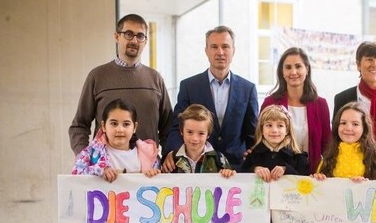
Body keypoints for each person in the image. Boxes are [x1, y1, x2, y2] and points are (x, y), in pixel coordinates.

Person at [69, 14, 172, 156]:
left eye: (140, 36)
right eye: (128, 34)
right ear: (117, 37)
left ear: (145, 41)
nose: (134, 40)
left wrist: (168, 156)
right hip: (106, 170)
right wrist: (85, 157)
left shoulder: (155, 78)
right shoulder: (97, 76)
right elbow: (79, 126)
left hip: (148, 170)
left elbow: (168, 127)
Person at [162, 25, 258, 171]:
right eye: (214, 47)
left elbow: (252, 133)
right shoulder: (189, 86)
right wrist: (171, 152)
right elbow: (177, 125)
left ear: (233, 51)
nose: (220, 52)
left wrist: (255, 155)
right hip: (199, 167)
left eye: (225, 46)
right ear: (206, 51)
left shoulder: (248, 89)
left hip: (236, 168)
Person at [260, 47, 331, 173]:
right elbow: (261, 140)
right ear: (282, 72)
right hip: (277, 176)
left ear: (307, 69)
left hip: (313, 176)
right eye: (288, 67)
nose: (293, 72)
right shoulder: (270, 102)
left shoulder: (321, 105)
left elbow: (327, 146)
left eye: (298, 66)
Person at [72, 99, 160, 182]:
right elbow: (76, 174)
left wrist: (154, 174)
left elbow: (159, 184)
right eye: (114, 123)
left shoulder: (148, 155)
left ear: (135, 127)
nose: (120, 129)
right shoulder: (91, 154)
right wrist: (99, 170)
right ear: (103, 126)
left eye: (126, 124)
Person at [314, 102, 376, 182]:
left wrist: (366, 187)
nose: (348, 128)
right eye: (343, 123)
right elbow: (319, 191)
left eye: (355, 124)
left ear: (364, 128)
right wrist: (316, 180)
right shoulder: (327, 159)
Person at [241, 105, 310, 182]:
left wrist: (287, 170)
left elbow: (306, 184)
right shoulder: (251, 155)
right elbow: (240, 180)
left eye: (280, 125)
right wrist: (254, 169)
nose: (274, 130)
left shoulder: (299, 157)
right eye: (269, 125)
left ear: (287, 130)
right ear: (261, 129)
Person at [166, 104, 235, 178]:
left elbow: (231, 184)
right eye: (190, 132)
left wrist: (229, 174)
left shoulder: (219, 159)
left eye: (201, 133)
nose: (195, 138)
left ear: (208, 134)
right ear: (181, 131)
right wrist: (154, 175)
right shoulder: (172, 159)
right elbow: (162, 184)